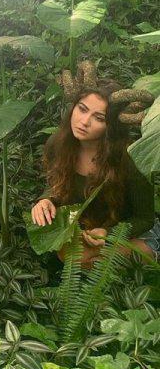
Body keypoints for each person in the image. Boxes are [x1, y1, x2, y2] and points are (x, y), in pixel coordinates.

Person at [30, 63, 158, 266]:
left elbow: (145, 218)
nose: (84, 121)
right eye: (82, 109)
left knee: (98, 263)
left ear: (111, 126)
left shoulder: (129, 158)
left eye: (98, 118)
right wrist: (46, 200)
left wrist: (108, 233)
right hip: (89, 229)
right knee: (71, 256)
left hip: (130, 232)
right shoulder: (59, 144)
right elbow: (57, 182)